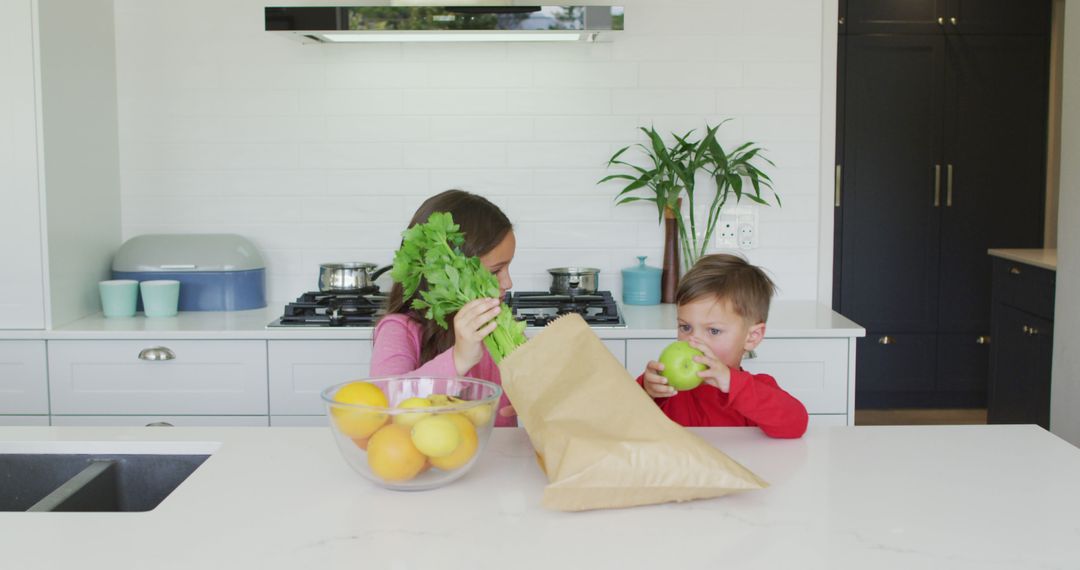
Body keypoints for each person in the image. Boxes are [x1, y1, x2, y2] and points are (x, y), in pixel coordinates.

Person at [370, 189, 518, 427]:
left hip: (498, 459)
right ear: (449, 274)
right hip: (428, 463)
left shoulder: (498, 329)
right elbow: (384, 405)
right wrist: (459, 358)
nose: (508, 283)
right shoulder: (400, 330)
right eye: (495, 271)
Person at [637, 253, 808, 438]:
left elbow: (796, 424)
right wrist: (647, 390)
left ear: (752, 337)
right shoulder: (667, 387)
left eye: (713, 331)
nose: (693, 341)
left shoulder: (756, 389)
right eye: (685, 327)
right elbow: (620, 418)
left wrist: (732, 384)